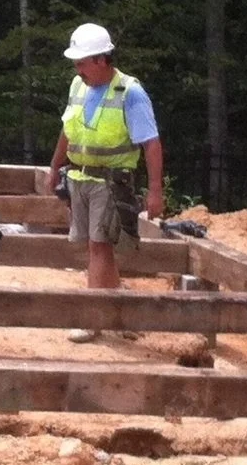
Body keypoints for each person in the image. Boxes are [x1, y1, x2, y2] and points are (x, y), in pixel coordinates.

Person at [43, 23, 164, 294]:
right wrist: (54, 166)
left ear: (101, 59)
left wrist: (156, 191)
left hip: (110, 181)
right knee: (97, 247)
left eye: (82, 63)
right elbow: (68, 130)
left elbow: (151, 143)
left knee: (99, 246)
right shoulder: (78, 86)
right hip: (79, 176)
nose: (78, 70)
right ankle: (115, 310)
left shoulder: (129, 92)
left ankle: (93, 316)